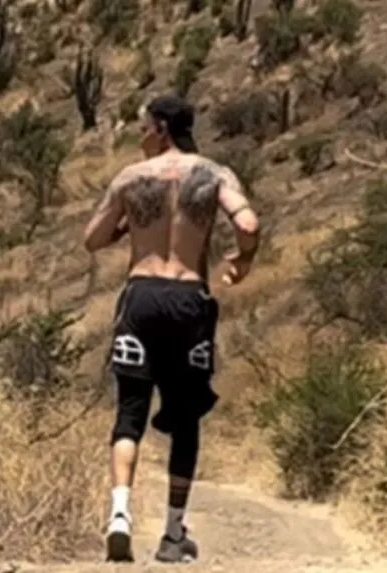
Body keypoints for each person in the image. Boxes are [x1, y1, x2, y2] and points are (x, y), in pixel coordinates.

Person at [82, 94, 261, 564]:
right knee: (186, 419)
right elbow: (248, 221)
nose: (140, 136)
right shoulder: (214, 174)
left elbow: (92, 238)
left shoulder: (130, 178)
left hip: (140, 298)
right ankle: (173, 532)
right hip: (188, 300)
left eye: (143, 128)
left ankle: (119, 513)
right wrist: (244, 261)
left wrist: (127, 230)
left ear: (161, 128)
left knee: (130, 412)